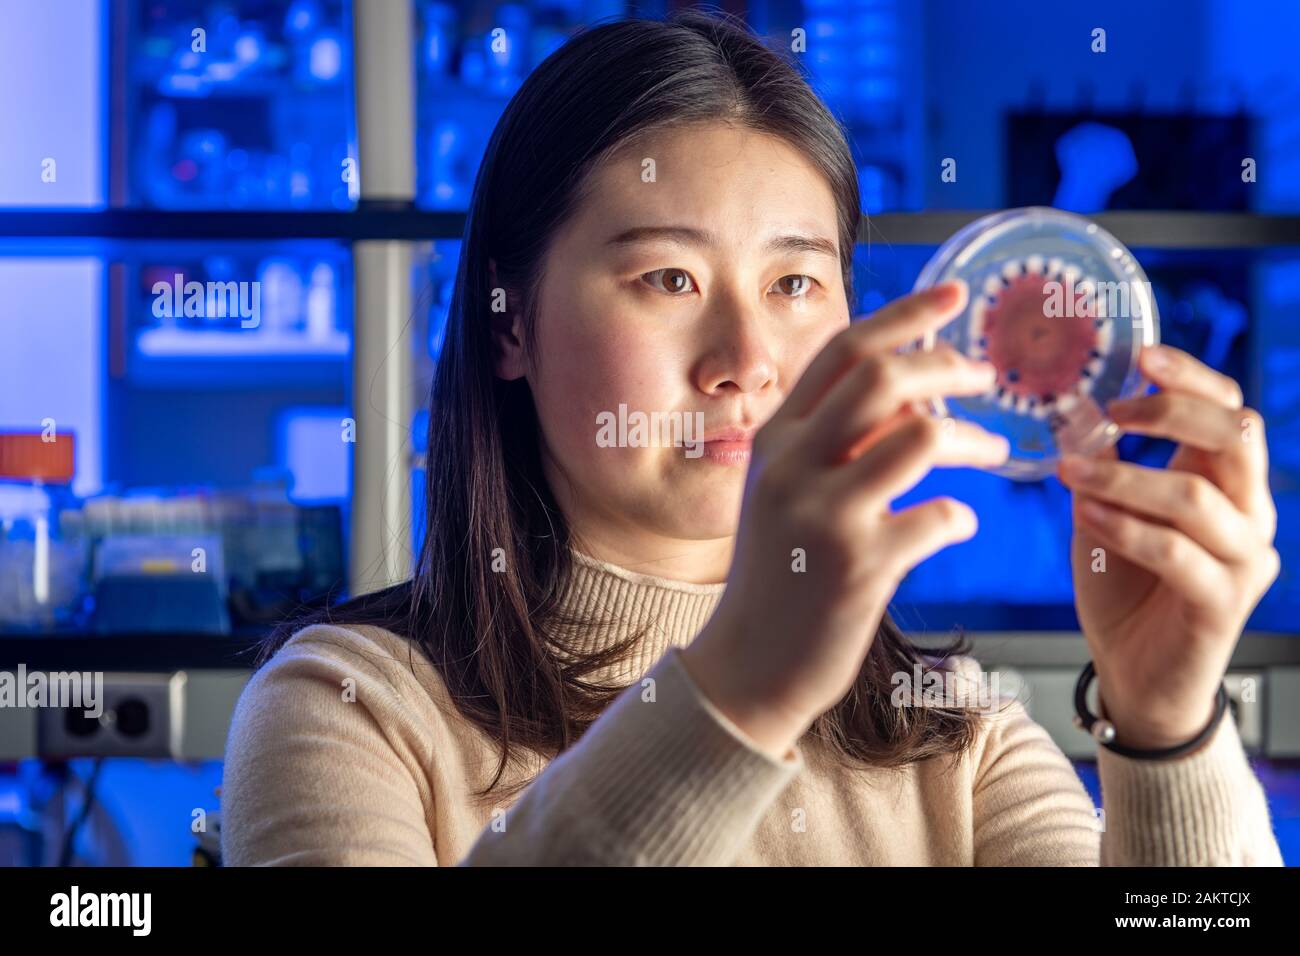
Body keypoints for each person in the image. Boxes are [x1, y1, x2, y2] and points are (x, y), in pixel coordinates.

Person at [220, 10, 1283, 866]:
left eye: (793, 284)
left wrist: (1165, 724)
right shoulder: (352, 708)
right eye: (668, 278)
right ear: (509, 321)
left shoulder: (952, 734)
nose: (746, 358)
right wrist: (741, 686)